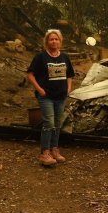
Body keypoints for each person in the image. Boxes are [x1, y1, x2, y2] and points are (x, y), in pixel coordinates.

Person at [27, 29, 75, 166]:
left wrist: (68, 87)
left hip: (60, 96)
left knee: (57, 124)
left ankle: (55, 150)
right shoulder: (41, 57)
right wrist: (40, 90)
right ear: (47, 41)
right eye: (51, 39)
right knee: (49, 123)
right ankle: (45, 153)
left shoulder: (65, 57)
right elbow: (30, 74)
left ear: (60, 41)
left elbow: (70, 75)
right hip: (46, 96)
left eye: (56, 39)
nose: (54, 41)